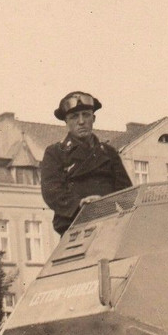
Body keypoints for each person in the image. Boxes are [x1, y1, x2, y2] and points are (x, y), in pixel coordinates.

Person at [40, 91, 133, 235]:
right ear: (66, 121)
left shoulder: (108, 152)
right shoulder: (56, 153)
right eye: (74, 116)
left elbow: (126, 192)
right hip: (75, 228)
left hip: (111, 225)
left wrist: (104, 204)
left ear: (93, 118)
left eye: (86, 115)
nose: (81, 121)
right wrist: (80, 204)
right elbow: (52, 192)